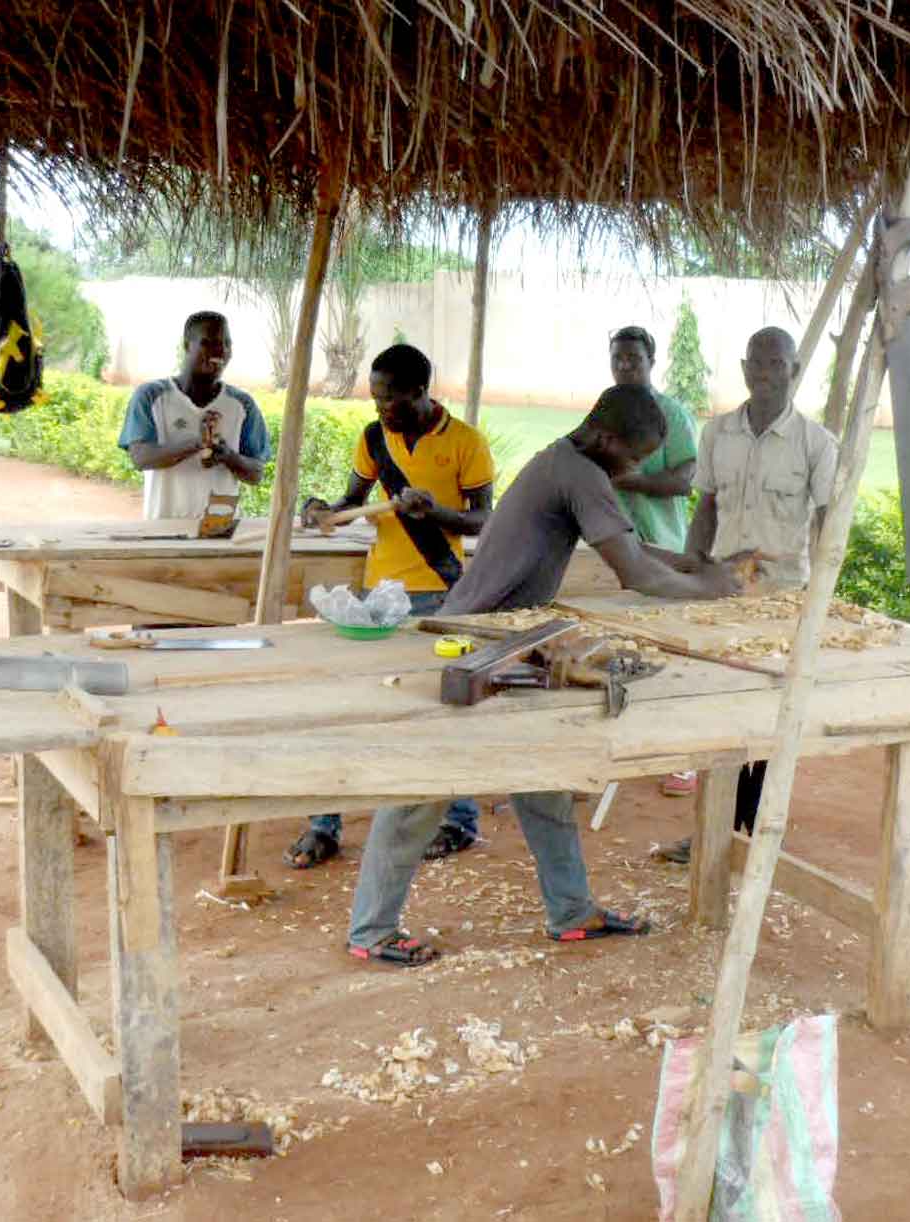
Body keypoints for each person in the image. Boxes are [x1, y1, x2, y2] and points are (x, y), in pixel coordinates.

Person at [346, 384, 749, 966]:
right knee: (424, 788)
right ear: (608, 439)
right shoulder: (578, 472)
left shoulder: (569, 461)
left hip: (509, 637)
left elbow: (632, 547)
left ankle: (571, 911)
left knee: (543, 777)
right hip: (473, 640)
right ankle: (370, 931)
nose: (632, 470)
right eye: (633, 458)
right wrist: (707, 592)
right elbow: (634, 573)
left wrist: (695, 566)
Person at [288, 344, 496, 868]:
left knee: (443, 711)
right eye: (376, 397)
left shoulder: (467, 443)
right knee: (351, 708)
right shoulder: (372, 437)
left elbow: (485, 520)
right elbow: (351, 500)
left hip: (440, 594)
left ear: (420, 393)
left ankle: (459, 821)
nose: (380, 408)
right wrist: (324, 512)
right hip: (378, 597)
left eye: (391, 399)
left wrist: (436, 511)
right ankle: (325, 823)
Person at [656, 326, 837, 865]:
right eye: (755, 363)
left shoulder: (816, 443)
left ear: (794, 370)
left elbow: (828, 528)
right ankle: (712, 835)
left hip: (782, 599)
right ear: (743, 369)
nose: (764, 373)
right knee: (721, 715)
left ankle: (755, 836)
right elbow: (706, 509)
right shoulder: (718, 434)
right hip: (724, 591)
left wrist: (821, 602)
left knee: (771, 721)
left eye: (776, 364)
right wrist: (690, 575)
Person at [605, 324, 708, 799]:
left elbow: (688, 479)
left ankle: (683, 758)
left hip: (660, 545)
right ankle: (614, 749)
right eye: (618, 358)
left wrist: (632, 482)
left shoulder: (672, 415)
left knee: (668, 653)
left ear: (651, 361)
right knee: (610, 650)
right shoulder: (606, 409)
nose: (625, 366)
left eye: (634, 359)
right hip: (610, 549)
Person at [117, 311, 269, 517]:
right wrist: (197, 444)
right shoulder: (151, 396)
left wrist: (229, 457)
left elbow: (256, 473)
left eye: (226, 344)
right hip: (164, 531)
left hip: (220, 533)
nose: (220, 351)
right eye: (209, 343)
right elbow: (141, 457)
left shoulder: (242, 404)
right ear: (187, 345)